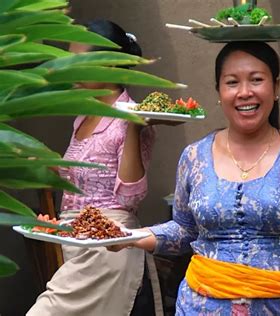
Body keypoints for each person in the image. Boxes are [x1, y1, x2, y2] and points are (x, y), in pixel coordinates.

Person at [110, 41, 280, 315]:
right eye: (232, 82)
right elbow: (184, 231)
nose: (245, 92)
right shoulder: (193, 156)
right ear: (219, 91)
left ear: (276, 87)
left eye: (256, 79)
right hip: (201, 305)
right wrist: (129, 236)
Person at [27, 20, 163, 316]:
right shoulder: (83, 117)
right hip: (78, 244)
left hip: (109, 250)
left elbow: (129, 199)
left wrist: (133, 127)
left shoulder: (133, 119)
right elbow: (86, 180)